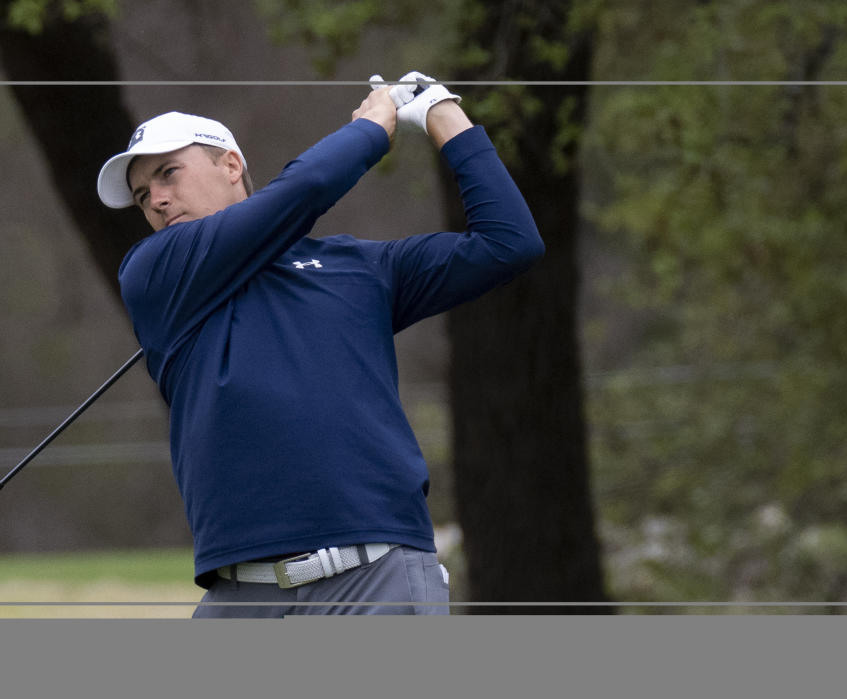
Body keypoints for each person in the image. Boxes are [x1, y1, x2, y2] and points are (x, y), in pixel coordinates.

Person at [95, 72, 544, 617]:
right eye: (143, 195)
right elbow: (303, 191)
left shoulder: (360, 267)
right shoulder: (154, 274)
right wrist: (372, 128)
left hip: (375, 576)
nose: (158, 200)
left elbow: (508, 242)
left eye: (168, 174)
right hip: (241, 594)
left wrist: (441, 113)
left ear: (231, 165)